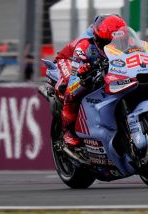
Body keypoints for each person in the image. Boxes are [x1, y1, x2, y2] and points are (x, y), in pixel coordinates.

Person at [53, 14, 127, 148]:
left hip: (96, 60)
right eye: (108, 43)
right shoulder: (85, 46)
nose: (113, 45)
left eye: (116, 42)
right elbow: (76, 75)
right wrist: (83, 72)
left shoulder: (121, 37)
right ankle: (67, 131)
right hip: (70, 60)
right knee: (73, 88)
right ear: (98, 39)